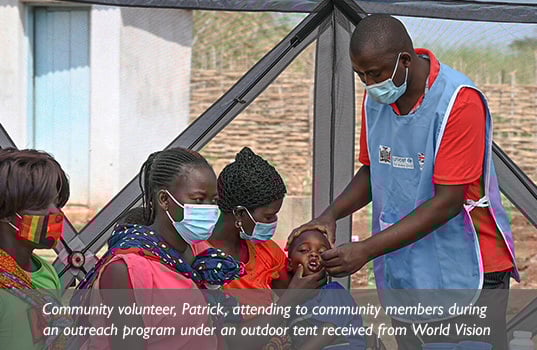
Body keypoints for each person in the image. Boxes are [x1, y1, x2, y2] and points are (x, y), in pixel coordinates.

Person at [288, 14, 518, 349]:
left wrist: (365, 249)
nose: (368, 82)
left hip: (467, 263)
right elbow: (373, 170)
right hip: (407, 261)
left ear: (405, 61)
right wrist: (329, 215)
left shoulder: (459, 101)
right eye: (361, 75)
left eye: (375, 73)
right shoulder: (377, 98)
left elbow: (448, 202)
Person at [77, 148, 243, 350]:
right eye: (198, 200)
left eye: (214, 201)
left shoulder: (201, 253)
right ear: (164, 199)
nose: (209, 209)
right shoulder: (126, 269)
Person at [0, 148, 71, 350]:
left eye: (57, 203)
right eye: (41, 205)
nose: (55, 213)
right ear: (5, 211)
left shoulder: (46, 272)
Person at [209, 147, 290, 306]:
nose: (274, 220)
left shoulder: (266, 251)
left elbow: (299, 295)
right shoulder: (202, 259)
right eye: (268, 216)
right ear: (239, 214)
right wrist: (289, 303)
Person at [264, 229, 366, 350]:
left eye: (322, 252)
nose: (314, 254)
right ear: (290, 264)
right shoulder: (293, 303)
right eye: (304, 250)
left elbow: (329, 331)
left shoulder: (333, 291)